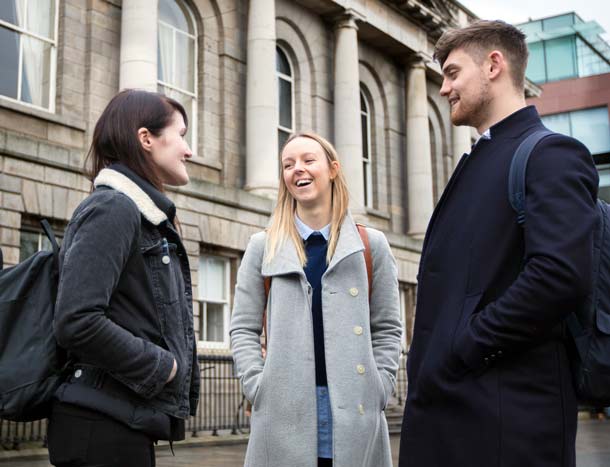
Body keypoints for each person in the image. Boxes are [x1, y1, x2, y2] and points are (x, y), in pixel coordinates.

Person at [399, 20, 598, 467]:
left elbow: (560, 275)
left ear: (494, 65)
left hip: (504, 422)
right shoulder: (479, 159)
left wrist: (465, 346)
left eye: (453, 73)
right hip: (451, 416)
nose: (445, 88)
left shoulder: (550, 154)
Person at [230, 132, 402, 467]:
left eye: (309, 160)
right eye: (288, 164)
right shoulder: (262, 247)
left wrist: (379, 387)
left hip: (356, 415)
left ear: (333, 169)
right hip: (284, 416)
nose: (298, 169)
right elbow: (242, 329)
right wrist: (257, 387)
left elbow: (388, 328)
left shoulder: (371, 246)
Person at [48, 89, 200, 467]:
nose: (189, 149)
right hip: (101, 426)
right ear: (146, 138)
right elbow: (77, 320)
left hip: (120, 421)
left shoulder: (138, 212)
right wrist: (164, 367)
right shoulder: (113, 207)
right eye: (180, 134)